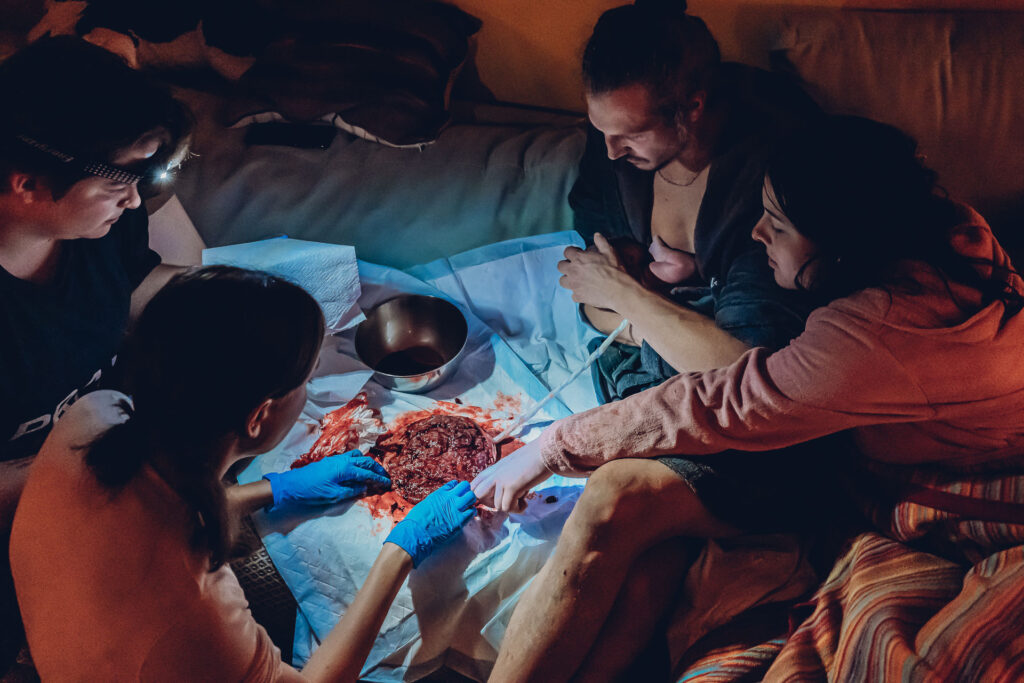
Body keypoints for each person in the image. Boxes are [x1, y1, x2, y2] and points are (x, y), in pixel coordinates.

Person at [474, 115, 1024, 681]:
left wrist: (549, 447)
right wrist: (687, 277)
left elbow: (721, 400)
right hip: (891, 426)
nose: (757, 234)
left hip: (967, 478)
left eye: (778, 226)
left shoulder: (873, 333)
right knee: (639, 545)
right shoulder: (951, 226)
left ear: (843, 249)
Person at [10, 266, 478, 681]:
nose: (310, 387)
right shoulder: (192, 614)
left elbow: (149, 511)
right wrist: (398, 552)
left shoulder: (94, 417)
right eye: (308, 378)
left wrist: (271, 489)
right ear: (259, 416)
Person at [0, 35, 198, 667]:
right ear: (27, 184)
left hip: (109, 459)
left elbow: (138, 284)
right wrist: (118, 453)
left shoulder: (96, 226)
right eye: (121, 180)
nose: (137, 199)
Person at [566, 0, 820, 396]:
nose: (612, 151)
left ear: (693, 106)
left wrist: (623, 293)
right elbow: (586, 293)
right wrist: (646, 316)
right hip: (657, 359)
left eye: (632, 134)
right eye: (601, 130)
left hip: (734, 386)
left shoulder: (773, 174)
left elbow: (742, 363)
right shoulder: (614, 149)